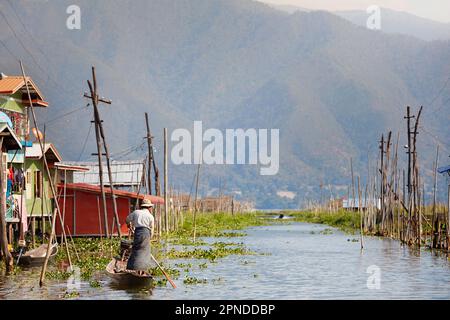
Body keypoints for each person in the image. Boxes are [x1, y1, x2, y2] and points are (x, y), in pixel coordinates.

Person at [125, 198, 155, 271]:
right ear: (149, 207)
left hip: (138, 233)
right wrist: (149, 239)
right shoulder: (150, 216)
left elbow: (127, 220)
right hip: (146, 234)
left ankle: (131, 267)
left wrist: (129, 224)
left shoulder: (136, 212)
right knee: (145, 251)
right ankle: (143, 269)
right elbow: (152, 230)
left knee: (136, 250)